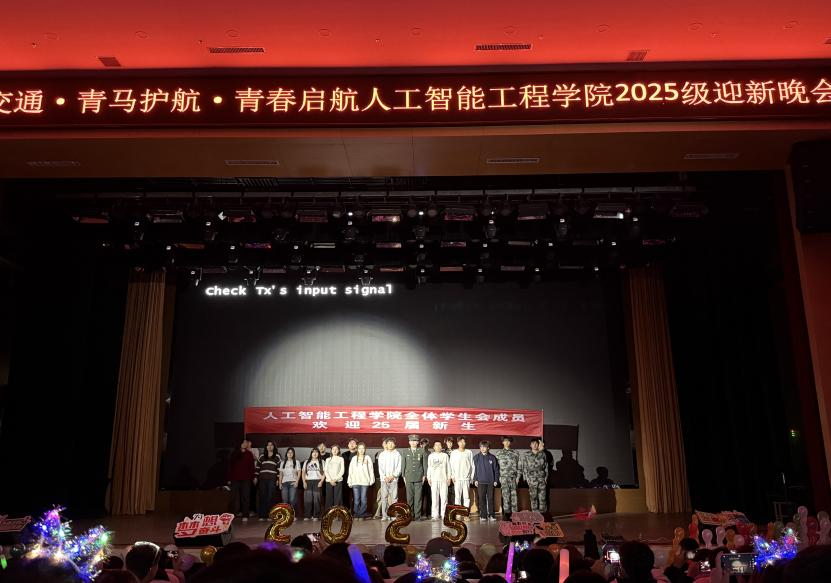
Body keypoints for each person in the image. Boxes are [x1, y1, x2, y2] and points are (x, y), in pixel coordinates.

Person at [401, 434, 429, 520]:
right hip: (408, 476)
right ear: (409, 442)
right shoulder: (405, 451)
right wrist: (403, 475)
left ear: (417, 442)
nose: (413, 442)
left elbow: (424, 464)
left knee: (418, 498)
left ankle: (417, 515)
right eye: (411, 441)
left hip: (419, 477)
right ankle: (410, 515)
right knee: (409, 498)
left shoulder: (421, 451)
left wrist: (424, 475)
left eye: (415, 441)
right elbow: (403, 464)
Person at [227, 439, 256, 523]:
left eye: (246, 442)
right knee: (233, 497)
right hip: (235, 479)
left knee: (245, 497)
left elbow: (252, 467)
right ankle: (231, 514)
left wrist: (253, 477)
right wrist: (229, 479)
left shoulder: (249, 454)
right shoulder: (234, 453)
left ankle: (245, 515)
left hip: (246, 479)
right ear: (239, 443)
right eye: (243, 442)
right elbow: (230, 467)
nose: (245, 444)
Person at [494, 436, 521, 520]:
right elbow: (496, 467)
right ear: (502, 442)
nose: (507, 443)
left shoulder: (515, 453)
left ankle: (515, 515)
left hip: (513, 478)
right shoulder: (499, 453)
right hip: (503, 478)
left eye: (508, 441)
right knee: (505, 497)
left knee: (514, 497)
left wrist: (518, 477)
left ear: (511, 442)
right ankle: (507, 515)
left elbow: (519, 465)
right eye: (505, 441)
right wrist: (498, 477)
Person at [473, 440, 500, 521]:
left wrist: (496, 480)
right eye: (481, 447)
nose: (482, 448)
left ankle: (491, 515)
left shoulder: (492, 457)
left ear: (488, 448)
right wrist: (475, 479)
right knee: (481, 498)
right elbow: (474, 470)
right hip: (481, 481)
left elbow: (496, 470)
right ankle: (483, 515)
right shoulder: (476, 457)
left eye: (484, 447)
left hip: (491, 482)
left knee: (490, 498)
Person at [347, 441, 375, 519]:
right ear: (357, 449)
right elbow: (350, 470)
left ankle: (362, 514)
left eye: (363, 448)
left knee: (363, 499)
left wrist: (371, 479)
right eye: (359, 448)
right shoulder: (354, 458)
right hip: (355, 481)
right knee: (356, 499)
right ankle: (356, 514)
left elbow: (371, 469)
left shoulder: (367, 458)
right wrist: (349, 481)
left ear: (365, 449)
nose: (361, 450)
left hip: (365, 481)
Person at [254, 441, 281, 521]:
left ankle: (270, 515)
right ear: (266, 447)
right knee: (262, 496)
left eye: (271, 445)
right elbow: (257, 468)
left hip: (272, 479)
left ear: (274, 447)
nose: (269, 446)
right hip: (262, 479)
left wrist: (278, 479)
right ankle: (262, 515)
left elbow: (279, 469)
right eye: (268, 445)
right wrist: (255, 477)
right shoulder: (262, 456)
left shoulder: (277, 456)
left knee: (271, 497)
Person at [377, 437, 402, 520]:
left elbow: (399, 467)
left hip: (394, 479)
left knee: (394, 498)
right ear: (386, 445)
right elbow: (380, 468)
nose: (390, 445)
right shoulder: (382, 454)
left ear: (395, 445)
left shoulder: (397, 454)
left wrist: (393, 476)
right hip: (384, 480)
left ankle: (393, 515)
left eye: (392, 443)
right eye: (389, 443)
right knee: (384, 498)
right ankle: (384, 515)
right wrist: (384, 477)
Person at [449, 436, 474, 514]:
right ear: (457, 443)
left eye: (463, 441)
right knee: (457, 497)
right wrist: (452, 476)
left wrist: (471, 477)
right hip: (457, 478)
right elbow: (451, 465)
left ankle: (465, 513)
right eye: (460, 441)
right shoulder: (454, 453)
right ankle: (458, 513)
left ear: (465, 443)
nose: (462, 443)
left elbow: (472, 465)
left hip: (466, 478)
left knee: (466, 497)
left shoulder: (469, 452)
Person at [523, 439, 548, 513]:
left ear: (538, 445)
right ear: (530, 445)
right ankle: (535, 513)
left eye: (536, 443)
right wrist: (526, 479)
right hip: (532, 479)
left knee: (542, 497)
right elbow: (525, 467)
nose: (534, 445)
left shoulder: (542, 454)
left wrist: (546, 478)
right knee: (533, 497)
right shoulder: (527, 454)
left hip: (541, 479)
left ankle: (543, 513)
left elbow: (546, 467)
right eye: (533, 443)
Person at [427, 440, 450, 521]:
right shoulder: (431, 456)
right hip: (434, 480)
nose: (438, 446)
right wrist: (429, 478)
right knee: (434, 498)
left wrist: (449, 478)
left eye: (439, 445)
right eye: (436, 445)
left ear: (441, 447)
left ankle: (444, 515)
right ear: (433, 447)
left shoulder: (445, 455)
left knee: (444, 498)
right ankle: (435, 515)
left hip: (443, 479)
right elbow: (429, 467)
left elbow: (448, 467)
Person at [302, 448, 325, 520]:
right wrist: (304, 482)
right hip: (308, 481)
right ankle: (307, 515)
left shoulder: (322, 462)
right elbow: (303, 472)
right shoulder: (307, 462)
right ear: (311, 453)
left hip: (317, 481)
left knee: (316, 499)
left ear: (318, 454)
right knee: (307, 499)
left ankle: (316, 516)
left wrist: (321, 481)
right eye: (313, 452)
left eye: (316, 452)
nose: (315, 453)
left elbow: (325, 473)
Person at [279, 447, 301, 514]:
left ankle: (292, 514)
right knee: (285, 500)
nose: (290, 454)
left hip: (293, 482)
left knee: (292, 499)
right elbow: (281, 474)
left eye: (291, 452)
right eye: (288, 452)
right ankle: (286, 515)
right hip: (284, 483)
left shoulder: (296, 462)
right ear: (286, 453)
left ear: (293, 454)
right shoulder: (282, 462)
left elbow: (299, 472)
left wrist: (297, 482)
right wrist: (280, 483)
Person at [323, 444, 345, 511]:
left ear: (338, 451)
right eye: (333, 449)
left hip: (338, 481)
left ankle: (337, 513)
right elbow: (325, 470)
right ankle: (329, 513)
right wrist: (330, 480)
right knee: (329, 498)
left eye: (336, 449)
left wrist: (335, 479)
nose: (334, 451)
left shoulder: (341, 459)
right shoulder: (328, 459)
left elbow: (342, 470)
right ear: (331, 451)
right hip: (329, 481)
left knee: (338, 498)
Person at [341, 438, 359, 512]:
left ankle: (355, 511)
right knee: (345, 495)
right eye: (350, 443)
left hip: (356, 478)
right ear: (348, 445)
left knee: (356, 496)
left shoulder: (359, 454)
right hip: (345, 478)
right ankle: (346, 511)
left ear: (356, 445)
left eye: (353, 443)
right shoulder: (344, 454)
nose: (352, 444)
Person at [420, 437, 432, 518]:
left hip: (429, 477)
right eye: (423, 444)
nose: (425, 445)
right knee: (420, 496)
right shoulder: (418, 452)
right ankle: (420, 513)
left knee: (428, 496)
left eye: (426, 444)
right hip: (420, 477)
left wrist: (428, 476)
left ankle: (428, 513)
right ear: (420, 445)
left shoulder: (430, 453)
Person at [443, 436, 456, 504]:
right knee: (445, 493)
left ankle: (453, 508)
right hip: (445, 475)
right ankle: (446, 508)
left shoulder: (456, 452)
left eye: (451, 442)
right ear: (445, 443)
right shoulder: (443, 453)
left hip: (454, 475)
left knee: (454, 493)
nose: (449, 444)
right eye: (448, 442)